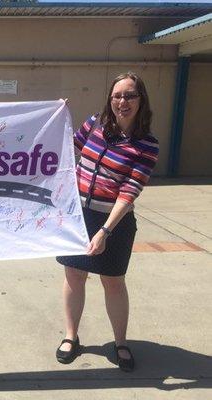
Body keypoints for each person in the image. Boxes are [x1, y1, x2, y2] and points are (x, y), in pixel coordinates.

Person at [55, 72, 159, 372]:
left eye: (130, 95)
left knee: (113, 282)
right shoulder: (95, 123)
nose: (123, 102)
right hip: (78, 215)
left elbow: (129, 191)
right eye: (117, 96)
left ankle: (120, 342)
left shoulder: (146, 145)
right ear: (110, 99)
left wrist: (104, 231)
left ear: (141, 100)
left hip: (114, 221)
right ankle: (71, 336)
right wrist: (56, 120)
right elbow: (69, 148)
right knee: (74, 275)